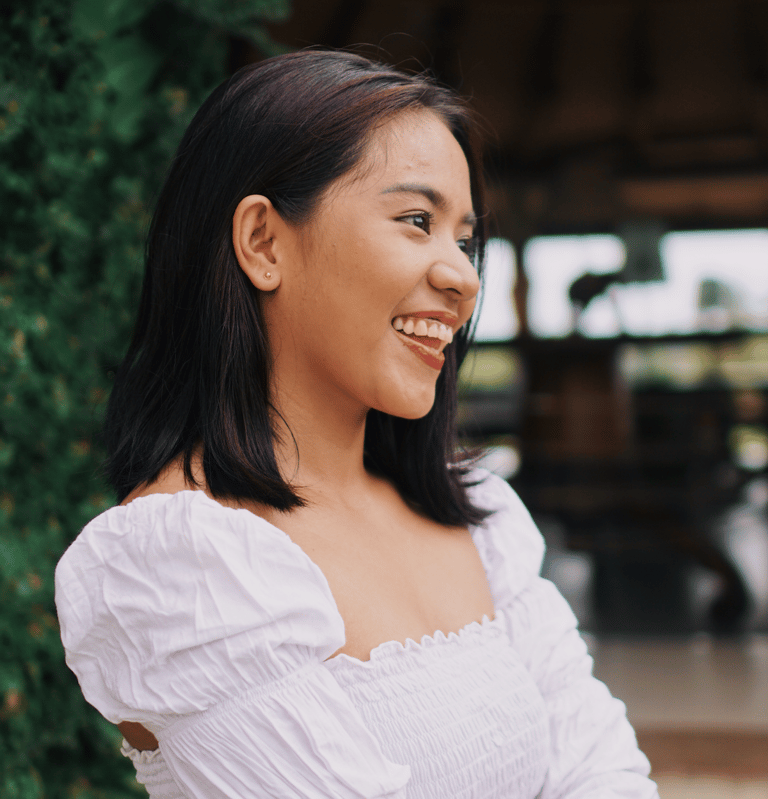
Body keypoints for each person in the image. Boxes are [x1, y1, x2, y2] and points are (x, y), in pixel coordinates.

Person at [54, 50, 660, 798]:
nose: (463, 277)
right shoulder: (177, 565)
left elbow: (603, 772)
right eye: (416, 221)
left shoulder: (478, 517)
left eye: (464, 239)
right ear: (263, 242)